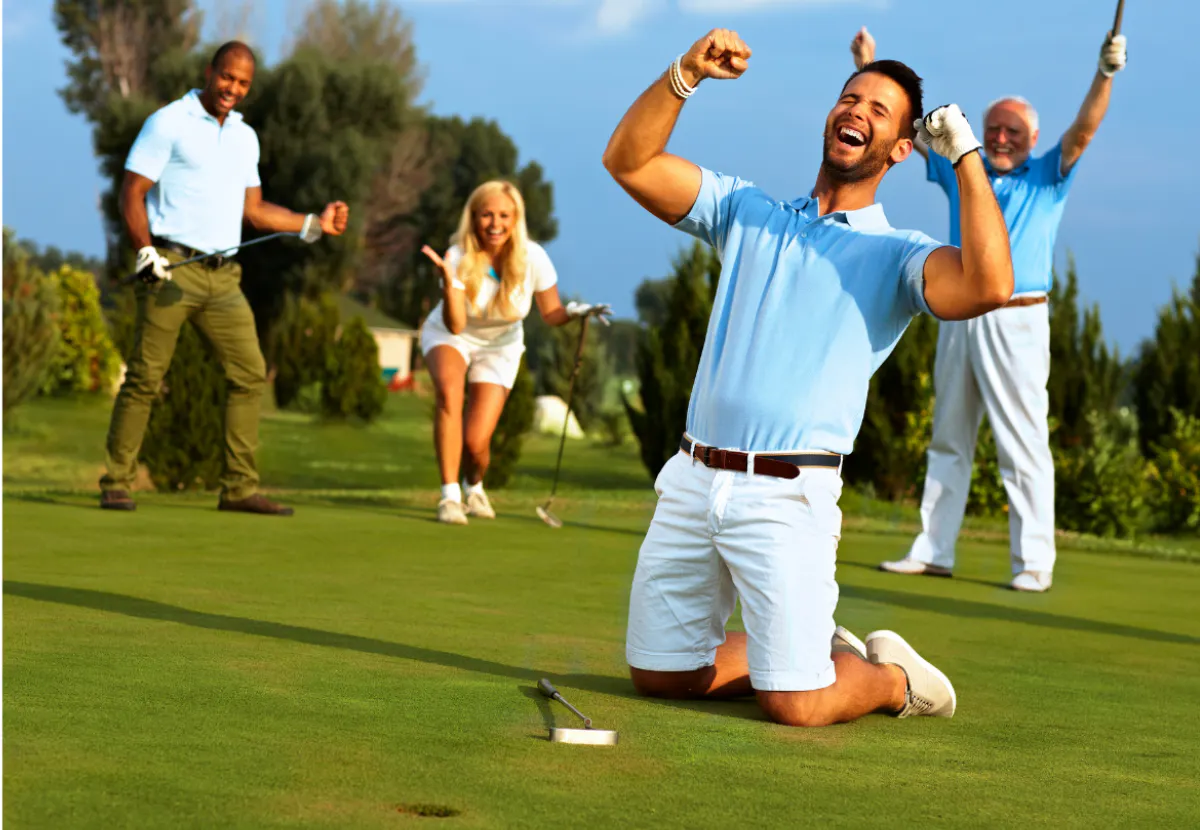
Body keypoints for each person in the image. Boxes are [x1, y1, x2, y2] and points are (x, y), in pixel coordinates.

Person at [602, 28, 1014, 727]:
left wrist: (967, 157)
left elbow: (989, 285)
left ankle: (891, 681)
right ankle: (815, 652)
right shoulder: (747, 211)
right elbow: (629, 162)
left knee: (796, 704)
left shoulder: (899, 255)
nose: (857, 111)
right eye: (850, 98)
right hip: (693, 478)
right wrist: (686, 74)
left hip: (788, 495)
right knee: (662, 676)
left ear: (901, 149)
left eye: (879, 111)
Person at [854, 25, 1128, 592]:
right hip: (960, 314)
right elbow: (906, 126)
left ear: (1032, 138)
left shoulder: (1047, 175)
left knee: (1021, 441)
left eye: (1013, 131)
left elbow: (1084, 129)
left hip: (1018, 317)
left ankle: (1033, 562)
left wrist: (1104, 74)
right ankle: (933, 550)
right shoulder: (962, 169)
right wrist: (869, 67)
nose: (1001, 139)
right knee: (949, 436)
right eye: (994, 130)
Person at [99, 41, 349, 516]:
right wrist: (144, 251)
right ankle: (116, 481)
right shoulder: (168, 122)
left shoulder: (244, 137)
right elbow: (132, 192)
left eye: (243, 83)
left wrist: (313, 224)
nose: (233, 88)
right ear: (209, 72)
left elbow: (253, 211)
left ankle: (238, 489)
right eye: (227, 77)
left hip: (223, 278)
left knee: (250, 374)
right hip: (170, 270)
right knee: (147, 377)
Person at [419, 180, 611, 525]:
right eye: (486, 215)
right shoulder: (457, 256)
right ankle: (449, 497)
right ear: (473, 217)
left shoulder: (533, 257)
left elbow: (551, 313)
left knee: (476, 441)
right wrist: (449, 284)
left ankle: (474, 487)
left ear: (515, 219)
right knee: (449, 395)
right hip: (451, 335)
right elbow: (456, 325)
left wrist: (578, 312)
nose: (495, 224)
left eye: (504, 215)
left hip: (502, 345)